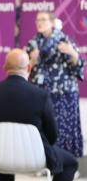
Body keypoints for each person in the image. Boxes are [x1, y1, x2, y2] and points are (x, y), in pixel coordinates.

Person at [0, 49, 79, 181]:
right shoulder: (41, 95)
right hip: (34, 157)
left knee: (5, 163)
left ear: (4, 67)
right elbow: (52, 136)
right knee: (71, 163)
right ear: (29, 67)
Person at [27, 11, 85, 158]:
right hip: (41, 94)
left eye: (43, 19)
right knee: (43, 129)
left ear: (52, 22)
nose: (39, 22)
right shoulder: (32, 44)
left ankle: (68, 164)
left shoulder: (64, 40)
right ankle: (45, 162)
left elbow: (77, 68)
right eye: (37, 20)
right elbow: (25, 71)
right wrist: (32, 60)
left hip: (64, 94)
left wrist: (73, 53)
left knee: (64, 131)